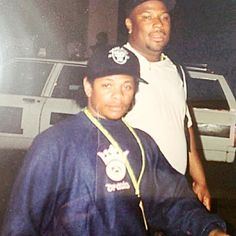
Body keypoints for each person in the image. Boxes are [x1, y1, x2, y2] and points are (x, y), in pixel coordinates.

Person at [1, 45, 228, 235]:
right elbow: (21, 222)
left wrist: (210, 229)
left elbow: (171, 201)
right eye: (107, 85)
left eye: (127, 86)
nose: (118, 96)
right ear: (88, 86)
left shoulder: (141, 143)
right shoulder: (54, 144)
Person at [123, 0, 211, 210]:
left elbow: (184, 125)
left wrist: (200, 179)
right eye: (147, 16)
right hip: (131, 195)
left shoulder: (176, 71)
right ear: (129, 24)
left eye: (164, 17)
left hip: (174, 194)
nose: (158, 24)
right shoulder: (117, 67)